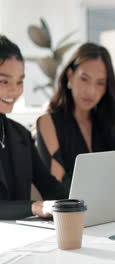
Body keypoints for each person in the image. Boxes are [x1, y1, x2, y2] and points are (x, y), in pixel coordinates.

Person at [36, 43, 115, 194]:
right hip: (71, 214)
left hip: (109, 212)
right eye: (84, 79)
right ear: (70, 76)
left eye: (100, 83)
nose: (91, 91)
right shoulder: (48, 123)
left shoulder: (105, 123)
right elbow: (55, 190)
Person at [0, 35, 67, 220]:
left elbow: (49, 186)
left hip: (22, 239)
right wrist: (35, 207)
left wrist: (80, 201)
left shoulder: (20, 134)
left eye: (20, 81)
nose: (14, 91)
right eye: (4, 81)